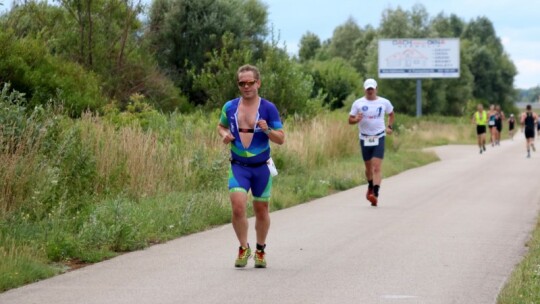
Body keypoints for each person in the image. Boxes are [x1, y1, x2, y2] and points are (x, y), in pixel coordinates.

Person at [217, 64, 285, 268]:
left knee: (261, 209)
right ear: (238, 85)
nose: (246, 86)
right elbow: (220, 126)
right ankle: (243, 247)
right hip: (239, 166)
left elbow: (281, 139)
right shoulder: (229, 107)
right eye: (242, 83)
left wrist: (267, 131)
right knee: (238, 208)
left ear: (258, 83)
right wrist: (225, 135)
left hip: (261, 167)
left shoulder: (268, 108)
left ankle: (261, 250)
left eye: (250, 82)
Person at [349, 78, 395, 207]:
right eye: (368, 89)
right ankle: (370, 186)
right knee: (368, 168)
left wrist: (390, 127)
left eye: (372, 89)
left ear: (376, 89)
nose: (370, 91)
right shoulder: (358, 103)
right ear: (365, 89)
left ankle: (375, 194)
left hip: (379, 136)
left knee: (376, 167)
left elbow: (391, 114)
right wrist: (356, 119)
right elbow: (350, 120)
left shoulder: (384, 102)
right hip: (365, 137)